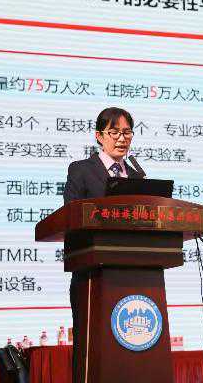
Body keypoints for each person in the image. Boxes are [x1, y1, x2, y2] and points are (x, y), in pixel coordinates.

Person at [63, 107, 144, 382]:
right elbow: (72, 215)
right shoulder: (81, 170)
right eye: (114, 132)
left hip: (133, 276)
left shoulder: (137, 176)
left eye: (127, 132)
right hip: (92, 277)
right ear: (99, 136)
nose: (122, 138)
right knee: (92, 352)